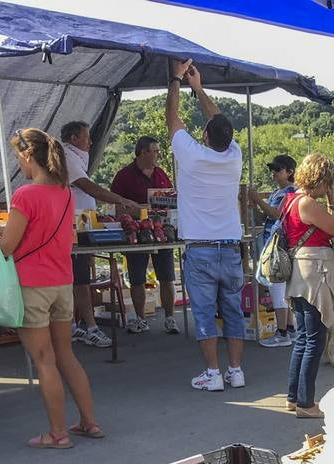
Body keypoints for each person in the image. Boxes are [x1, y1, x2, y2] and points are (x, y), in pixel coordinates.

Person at [0, 128, 102, 449]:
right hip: (61, 284)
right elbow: (35, 231)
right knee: (66, 355)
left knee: (44, 360)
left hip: (32, 286)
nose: (18, 165)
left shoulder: (25, 194)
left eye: (17, 158)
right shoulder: (64, 191)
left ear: (27, 156)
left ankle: (57, 433)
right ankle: (89, 423)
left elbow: (8, 247)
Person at [165, 60, 247, 393]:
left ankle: (212, 374)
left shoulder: (193, 156)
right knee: (233, 312)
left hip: (199, 247)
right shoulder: (235, 156)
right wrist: (200, 89)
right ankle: (236, 370)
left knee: (203, 312)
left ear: (203, 135)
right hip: (230, 247)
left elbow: (172, 119)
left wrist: (176, 80)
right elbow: (217, 123)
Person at [60, 121, 140, 349]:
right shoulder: (67, 156)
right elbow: (87, 186)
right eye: (86, 137)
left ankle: (74, 325)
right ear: (74, 138)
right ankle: (90, 327)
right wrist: (120, 199)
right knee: (81, 279)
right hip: (74, 226)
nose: (91, 142)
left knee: (78, 278)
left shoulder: (76, 157)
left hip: (83, 224)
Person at [281, 154, 334, 418]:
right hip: (313, 275)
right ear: (320, 180)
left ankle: (293, 397)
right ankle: (306, 404)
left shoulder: (290, 200)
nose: (329, 187)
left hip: (300, 274)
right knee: (314, 341)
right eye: (328, 182)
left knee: (303, 339)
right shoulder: (307, 203)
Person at [109, 136, 180, 335]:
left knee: (167, 277)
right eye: (155, 151)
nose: (158, 154)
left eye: (158, 151)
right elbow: (114, 206)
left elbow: (171, 196)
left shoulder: (161, 174)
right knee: (137, 278)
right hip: (137, 233)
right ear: (142, 152)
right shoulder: (124, 176)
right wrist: (136, 210)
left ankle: (170, 317)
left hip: (161, 231)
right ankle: (140, 318)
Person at [247, 154, 298, 347]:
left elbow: (277, 214)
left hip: (281, 244)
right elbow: (267, 217)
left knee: (277, 286)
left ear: (290, 172)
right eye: (273, 169)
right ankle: (290, 327)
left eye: (278, 169)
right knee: (281, 287)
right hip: (272, 241)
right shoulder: (277, 192)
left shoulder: (290, 192)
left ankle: (282, 331)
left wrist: (258, 201)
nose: (274, 173)